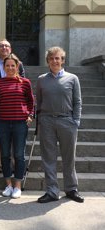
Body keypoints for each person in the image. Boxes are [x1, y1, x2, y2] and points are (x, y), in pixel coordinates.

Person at [36, 46, 84, 203]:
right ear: (48, 61)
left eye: (58, 58)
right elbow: (39, 101)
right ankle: (52, 191)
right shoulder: (42, 79)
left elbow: (77, 102)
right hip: (47, 121)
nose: (55, 61)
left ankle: (71, 189)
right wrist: (41, 119)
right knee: (48, 157)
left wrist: (75, 121)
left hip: (67, 121)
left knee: (68, 157)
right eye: (51, 58)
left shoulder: (72, 78)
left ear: (62, 60)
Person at [0, 54, 34, 199]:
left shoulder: (25, 82)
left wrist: (30, 115)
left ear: (17, 67)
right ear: (4, 67)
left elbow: (31, 102)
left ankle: (17, 186)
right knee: (4, 155)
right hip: (2, 123)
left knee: (19, 155)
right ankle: (8, 185)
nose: (10, 68)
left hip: (20, 123)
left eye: (13, 65)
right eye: (7, 65)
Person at [0, 39, 25, 175]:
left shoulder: (18, 64)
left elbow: (23, 83)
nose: (4, 48)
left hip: (14, 107)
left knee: (14, 139)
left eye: (6, 46)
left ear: (10, 48)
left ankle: (14, 166)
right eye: (1, 46)